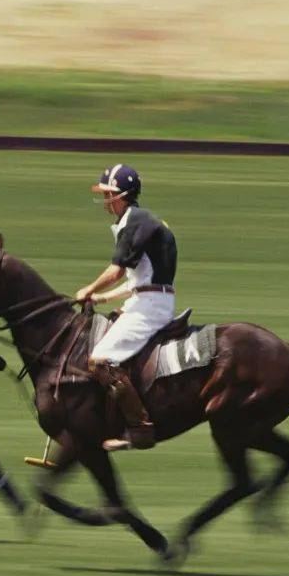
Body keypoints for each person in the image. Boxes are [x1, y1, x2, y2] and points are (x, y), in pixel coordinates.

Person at [75, 164, 178, 451]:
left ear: (122, 195)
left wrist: (89, 289)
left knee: (101, 360)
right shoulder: (136, 221)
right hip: (145, 298)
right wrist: (103, 300)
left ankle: (140, 428)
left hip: (151, 306)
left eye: (109, 194)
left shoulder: (134, 220)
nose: (106, 200)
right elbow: (139, 280)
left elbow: (117, 271)